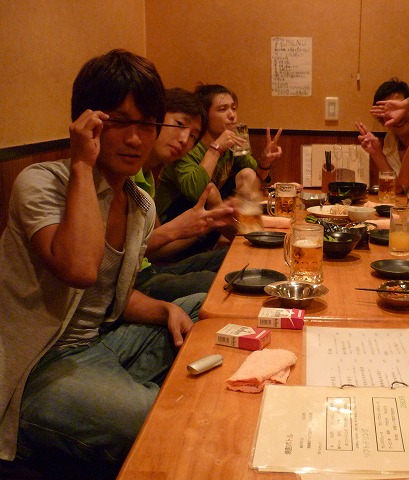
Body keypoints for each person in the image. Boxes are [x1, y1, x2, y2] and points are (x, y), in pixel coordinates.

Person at [0, 50, 197, 478]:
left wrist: (165, 309)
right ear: (85, 122)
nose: (135, 139)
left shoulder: (139, 204)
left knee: (203, 306)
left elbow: (109, 297)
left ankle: (119, 396)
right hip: (38, 367)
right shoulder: (41, 183)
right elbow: (81, 270)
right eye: (119, 121)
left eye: (146, 124)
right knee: (167, 421)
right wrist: (82, 163)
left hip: (101, 344)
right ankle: (109, 408)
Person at [132, 88, 235, 302]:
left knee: (233, 257)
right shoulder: (126, 176)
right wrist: (178, 228)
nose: (184, 139)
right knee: (221, 284)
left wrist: (206, 224)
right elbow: (113, 255)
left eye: (193, 136)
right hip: (131, 284)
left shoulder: (147, 176)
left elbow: (156, 250)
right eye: (180, 124)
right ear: (154, 118)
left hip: (150, 269)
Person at [155, 84, 282, 222]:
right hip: (172, 218)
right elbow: (194, 192)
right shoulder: (187, 146)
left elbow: (258, 177)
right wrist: (216, 148)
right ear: (204, 115)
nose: (232, 115)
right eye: (223, 109)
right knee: (211, 191)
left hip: (209, 215)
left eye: (233, 108)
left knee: (248, 174)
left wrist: (265, 161)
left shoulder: (231, 143)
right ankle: (235, 229)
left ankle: (243, 226)